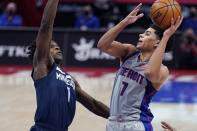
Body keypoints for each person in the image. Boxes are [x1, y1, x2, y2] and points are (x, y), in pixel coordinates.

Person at [97, 3, 183, 131]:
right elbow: (102, 45)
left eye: (147, 34)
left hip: (136, 124)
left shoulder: (163, 70)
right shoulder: (129, 53)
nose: (141, 35)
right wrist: (124, 23)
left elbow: (149, 73)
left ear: (157, 43)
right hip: (113, 123)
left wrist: (166, 36)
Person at [27, 0, 109, 130]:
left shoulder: (70, 79)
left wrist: (117, 117)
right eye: (52, 47)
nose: (58, 48)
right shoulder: (43, 65)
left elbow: (93, 104)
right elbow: (46, 26)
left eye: (58, 46)